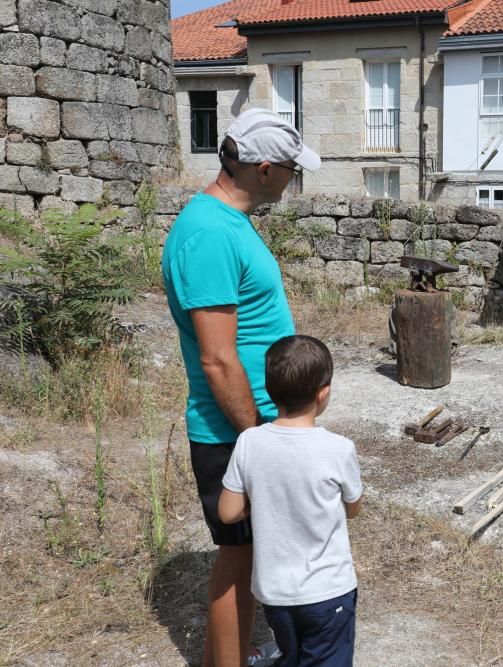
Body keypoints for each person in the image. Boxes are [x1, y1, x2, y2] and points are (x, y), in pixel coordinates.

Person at [161, 108, 321, 666]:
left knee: (249, 559)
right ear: (265, 168)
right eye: (292, 169)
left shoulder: (229, 222)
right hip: (233, 429)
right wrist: (259, 438)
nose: (294, 179)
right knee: (238, 563)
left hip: (252, 424)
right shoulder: (207, 233)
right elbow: (218, 359)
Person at [219, 335, 363, 667]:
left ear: (269, 392)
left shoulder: (249, 442)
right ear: (323, 392)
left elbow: (228, 513)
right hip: (329, 592)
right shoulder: (338, 448)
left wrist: (264, 496)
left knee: (291, 655)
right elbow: (353, 508)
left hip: (275, 594)